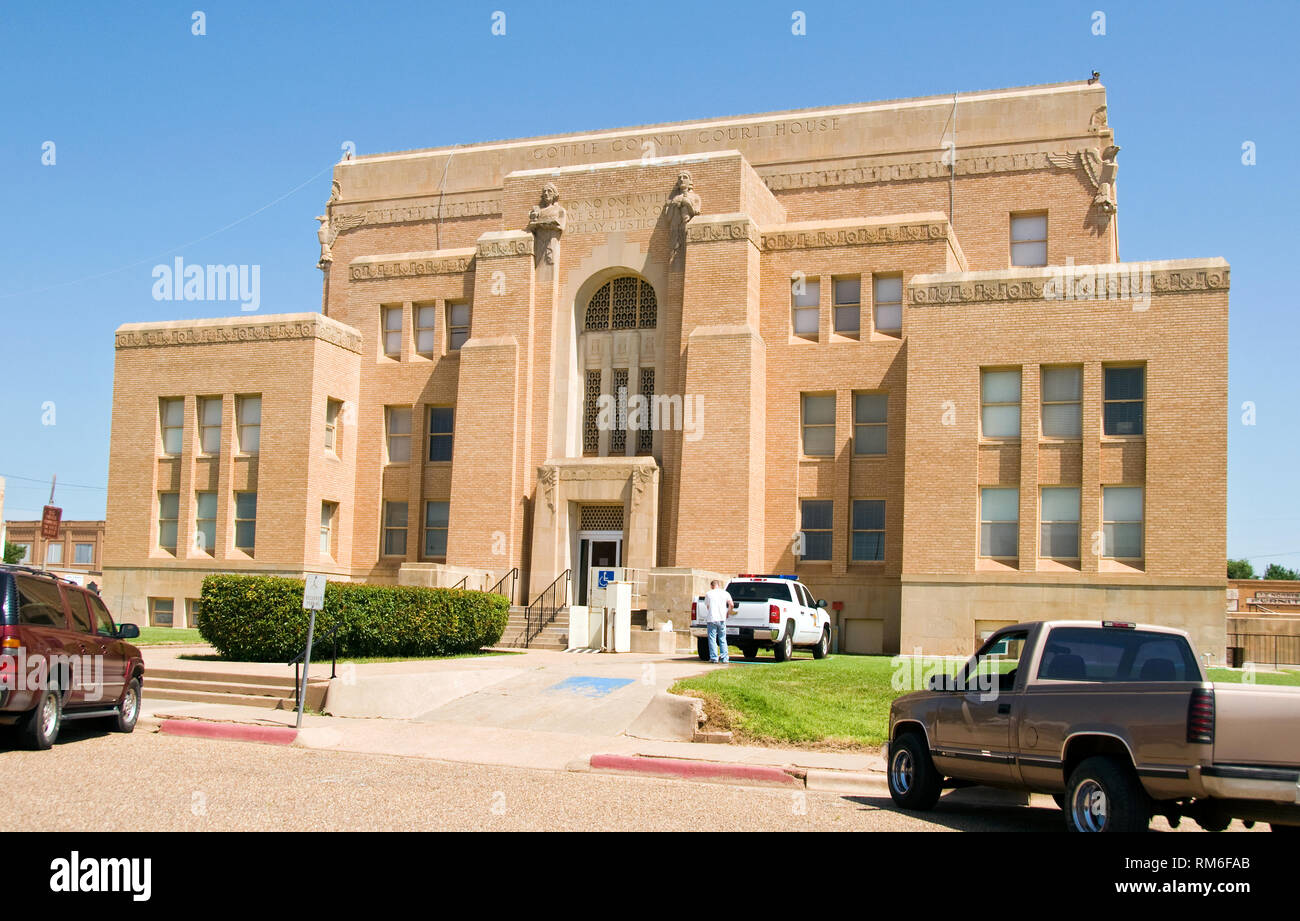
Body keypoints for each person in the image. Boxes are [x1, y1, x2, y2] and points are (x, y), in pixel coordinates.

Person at [702, 579, 734, 664]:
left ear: (712, 586)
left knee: (712, 639)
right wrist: (728, 612)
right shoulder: (725, 593)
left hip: (712, 619)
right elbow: (731, 604)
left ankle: (714, 658)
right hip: (722, 619)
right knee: (722, 638)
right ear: (719, 585)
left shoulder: (709, 593)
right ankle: (725, 658)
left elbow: (708, 606)